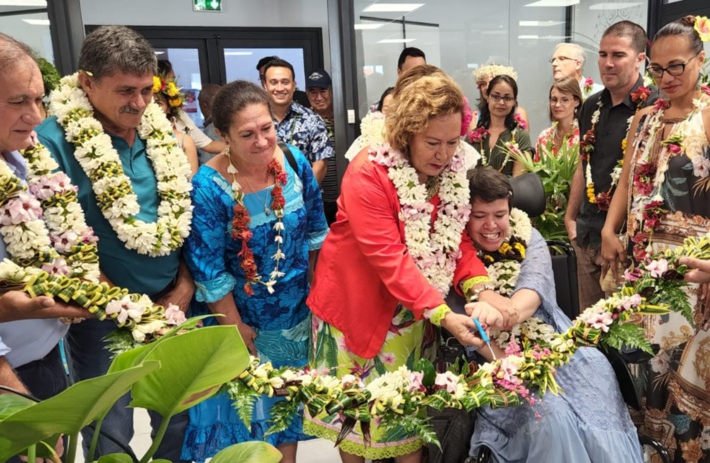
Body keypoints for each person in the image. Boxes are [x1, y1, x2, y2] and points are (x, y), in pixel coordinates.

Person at [304, 70, 507, 463]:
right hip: (358, 306)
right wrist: (445, 314)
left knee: (406, 429)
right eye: (432, 143)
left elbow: (456, 240)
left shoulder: (449, 168)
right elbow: (388, 257)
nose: (445, 155)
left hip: (416, 312)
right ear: (405, 134)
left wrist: (480, 289)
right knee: (357, 427)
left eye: (452, 142)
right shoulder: (368, 171)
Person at [35, 26, 195, 462]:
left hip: (173, 302)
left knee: (177, 413)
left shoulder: (158, 131)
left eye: (147, 90)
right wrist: (120, 303)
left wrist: (184, 287)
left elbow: (187, 220)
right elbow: (59, 240)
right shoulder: (52, 141)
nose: (140, 103)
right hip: (102, 313)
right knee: (112, 422)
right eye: (126, 90)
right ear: (87, 82)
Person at [0, 32, 89, 463]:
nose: (35, 116)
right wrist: (20, 413)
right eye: (17, 102)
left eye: (39, 100)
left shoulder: (19, 157)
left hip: (52, 357)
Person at [180, 80, 328, 462]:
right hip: (240, 322)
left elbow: (316, 233)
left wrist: (318, 298)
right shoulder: (208, 188)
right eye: (247, 134)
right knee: (245, 424)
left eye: (267, 128)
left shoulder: (293, 162)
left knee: (285, 414)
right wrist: (234, 328)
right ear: (222, 135)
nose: (262, 141)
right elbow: (208, 269)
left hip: (295, 317)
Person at [464, 167, 642, 463]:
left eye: (499, 214)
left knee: (596, 374)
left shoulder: (528, 236)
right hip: (493, 355)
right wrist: (512, 363)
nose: (491, 225)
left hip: (550, 338)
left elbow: (531, 294)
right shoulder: (454, 254)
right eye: (480, 216)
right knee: (553, 415)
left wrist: (503, 312)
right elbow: (469, 331)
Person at [601, 15, 710, 462]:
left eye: (677, 67)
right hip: (642, 269)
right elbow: (627, 181)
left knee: (682, 378)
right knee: (640, 366)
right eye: (658, 70)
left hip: (692, 272)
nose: (666, 79)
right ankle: (646, 451)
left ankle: (683, 452)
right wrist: (610, 228)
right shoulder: (644, 119)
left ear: (700, 61)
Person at [564, 21, 658, 312]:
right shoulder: (592, 105)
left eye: (618, 55)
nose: (608, 63)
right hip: (586, 233)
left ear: (640, 58)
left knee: (624, 334)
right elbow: (584, 163)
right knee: (589, 331)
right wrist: (570, 218)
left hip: (625, 243)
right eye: (603, 55)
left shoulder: (656, 107)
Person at [262, 58, 334, 184]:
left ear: (294, 86)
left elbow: (320, 166)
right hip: (260, 197)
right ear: (265, 86)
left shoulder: (312, 120)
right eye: (274, 82)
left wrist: (299, 198)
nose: (280, 88)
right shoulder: (254, 120)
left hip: (302, 199)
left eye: (285, 82)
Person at [467, 75, 532, 177]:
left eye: (507, 98)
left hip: (510, 192)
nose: (501, 102)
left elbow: (519, 180)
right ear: (487, 97)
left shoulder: (521, 136)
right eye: (496, 96)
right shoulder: (474, 135)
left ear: (514, 101)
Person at [158, 59, 225, 157]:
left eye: (174, 80)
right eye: (171, 80)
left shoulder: (180, 115)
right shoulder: (143, 118)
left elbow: (210, 145)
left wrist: (241, 143)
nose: (174, 86)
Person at [306, 68, 339, 225]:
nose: (318, 97)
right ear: (307, 94)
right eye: (313, 92)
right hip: (318, 200)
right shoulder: (305, 124)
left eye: (323, 91)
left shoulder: (345, 121)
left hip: (344, 198)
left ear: (332, 91)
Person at [153, 74, 198, 175]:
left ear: (169, 108)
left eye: (158, 104)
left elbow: (192, 182)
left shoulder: (184, 141)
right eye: (148, 103)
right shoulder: (132, 137)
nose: (152, 108)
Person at [469, 64, 529, 132]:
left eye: (491, 82)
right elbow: (472, 141)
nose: (487, 87)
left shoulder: (519, 113)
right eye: (483, 84)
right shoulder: (474, 116)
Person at [535, 76, 582, 161]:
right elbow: (535, 171)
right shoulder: (544, 136)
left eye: (564, 100)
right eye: (554, 99)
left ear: (576, 101)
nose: (557, 105)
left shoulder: (583, 136)